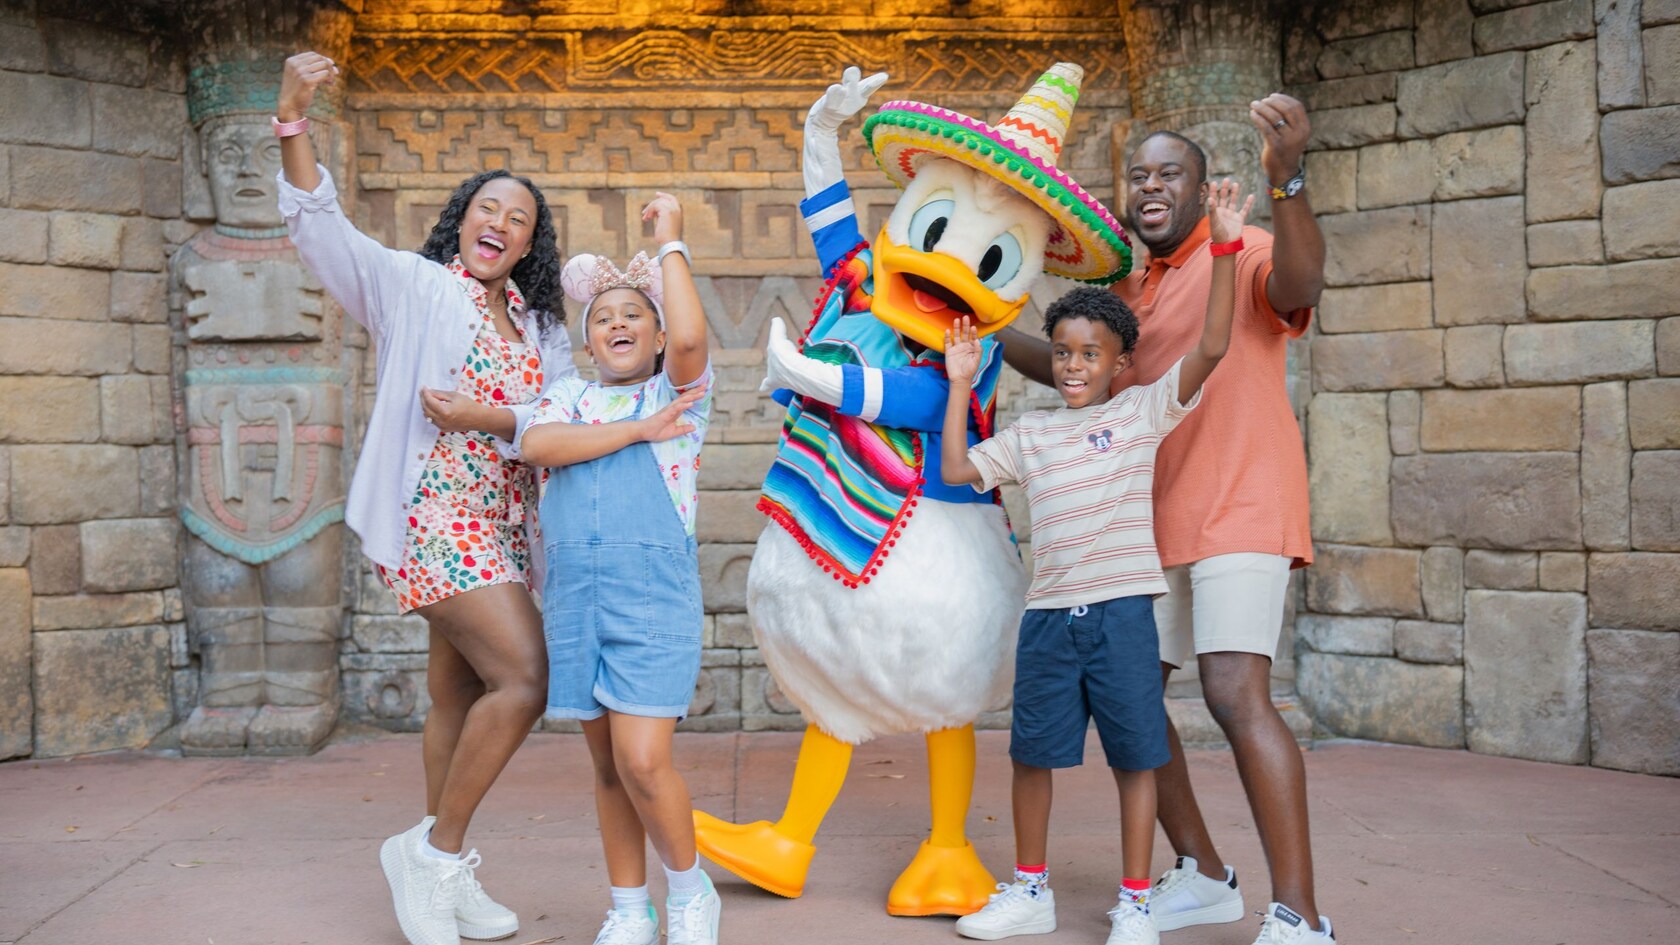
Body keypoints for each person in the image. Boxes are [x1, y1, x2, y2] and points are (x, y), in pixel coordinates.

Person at [999, 95, 1332, 944]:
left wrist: (1288, 178)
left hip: (1241, 504)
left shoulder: (1243, 249)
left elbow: (1300, 287)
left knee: (1232, 688)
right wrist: (980, 321)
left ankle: (1300, 914)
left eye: (1169, 174)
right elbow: (1075, 366)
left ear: (1198, 186)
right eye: (1138, 175)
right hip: (1150, 525)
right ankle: (1206, 874)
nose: (1150, 185)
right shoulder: (1127, 290)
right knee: (1131, 702)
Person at [275, 51, 574, 945]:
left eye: (518, 219)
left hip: (506, 527)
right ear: (463, 218)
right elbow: (324, 230)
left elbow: (558, 416)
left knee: (459, 692)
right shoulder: (415, 287)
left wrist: (492, 413)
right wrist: (293, 120)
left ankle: (443, 859)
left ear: (528, 244)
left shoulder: (542, 327)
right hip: (436, 517)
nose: (501, 223)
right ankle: (433, 855)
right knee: (525, 677)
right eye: (488, 207)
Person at [943, 180, 1251, 945]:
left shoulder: (1143, 411)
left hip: (1121, 618)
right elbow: (954, 470)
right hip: (1049, 620)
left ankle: (1136, 902)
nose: (1073, 366)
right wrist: (959, 384)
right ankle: (1031, 891)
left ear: (1120, 363)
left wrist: (1225, 247)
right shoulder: (1030, 435)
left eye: (1090, 354)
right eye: (1062, 353)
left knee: (1136, 758)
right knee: (1031, 756)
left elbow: (1213, 346)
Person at [515, 199, 719, 945]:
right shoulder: (567, 395)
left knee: (642, 760)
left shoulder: (678, 395)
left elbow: (693, 337)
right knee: (607, 768)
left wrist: (671, 243)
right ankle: (630, 907)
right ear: (587, 340)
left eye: (635, 314)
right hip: (577, 601)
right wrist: (634, 430)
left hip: (653, 598)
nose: (618, 323)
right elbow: (538, 446)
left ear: (657, 335)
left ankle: (690, 891)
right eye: (603, 317)